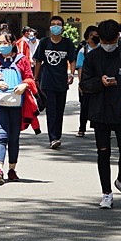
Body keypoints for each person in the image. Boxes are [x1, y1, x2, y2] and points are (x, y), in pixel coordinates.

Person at [79, 19, 121, 208]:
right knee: (103, 153)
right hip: (100, 112)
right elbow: (84, 84)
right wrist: (101, 82)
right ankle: (106, 193)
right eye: (104, 42)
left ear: (118, 37)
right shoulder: (92, 57)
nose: (107, 46)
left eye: (111, 42)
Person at [0, 32, 34, 183]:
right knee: (1, 136)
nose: (2, 46)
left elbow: (30, 78)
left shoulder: (22, 60)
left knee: (14, 137)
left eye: (5, 43)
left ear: (12, 43)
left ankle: (12, 169)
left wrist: (24, 85)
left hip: (16, 104)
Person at [34, 15, 76, 150]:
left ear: (62, 28)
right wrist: (35, 78)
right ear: (50, 27)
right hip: (47, 82)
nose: (56, 26)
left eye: (58, 24)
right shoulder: (44, 42)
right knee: (51, 110)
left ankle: (57, 135)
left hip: (61, 82)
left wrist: (71, 74)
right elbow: (38, 61)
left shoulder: (67, 43)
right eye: (53, 24)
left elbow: (72, 60)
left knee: (59, 110)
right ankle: (53, 138)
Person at [75, 25, 99, 138]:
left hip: (99, 82)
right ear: (87, 38)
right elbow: (80, 68)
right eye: (91, 35)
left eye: (96, 35)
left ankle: (99, 128)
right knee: (84, 106)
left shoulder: (101, 49)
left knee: (99, 106)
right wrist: (80, 83)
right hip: (87, 82)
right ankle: (82, 128)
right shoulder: (83, 51)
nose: (94, 37)